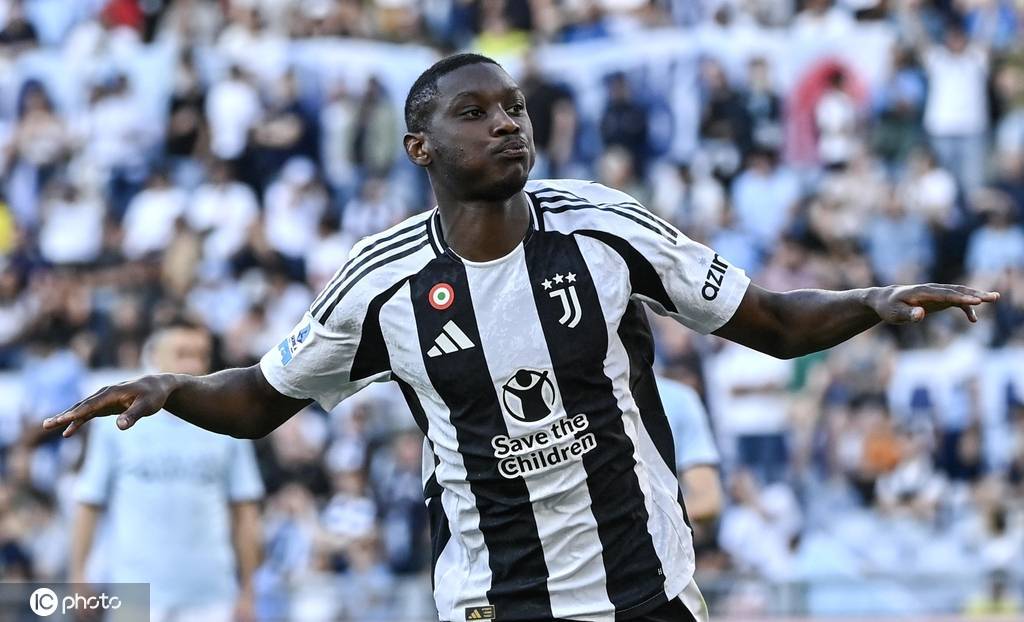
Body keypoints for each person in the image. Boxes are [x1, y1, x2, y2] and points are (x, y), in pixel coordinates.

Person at [44, 54, 1000, 622]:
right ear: (420, 148)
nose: (506, 124)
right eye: (476, 114)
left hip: (645, 588)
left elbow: (775, 325)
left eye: (514, 108)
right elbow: (261, 399)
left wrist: (874, 297)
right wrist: (172, 391)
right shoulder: (381, 283)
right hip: (490, 599)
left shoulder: (605, 227)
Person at [69, 318, 264, 622]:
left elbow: (245, 512)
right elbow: (89, 503)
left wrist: (249, 590)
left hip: (211, 594)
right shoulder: (116, 424)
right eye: (182, 353)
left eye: (200, 354)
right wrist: (79, 576)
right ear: (155, 357)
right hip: (134, 593)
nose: (193, 364)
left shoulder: (228, 424)